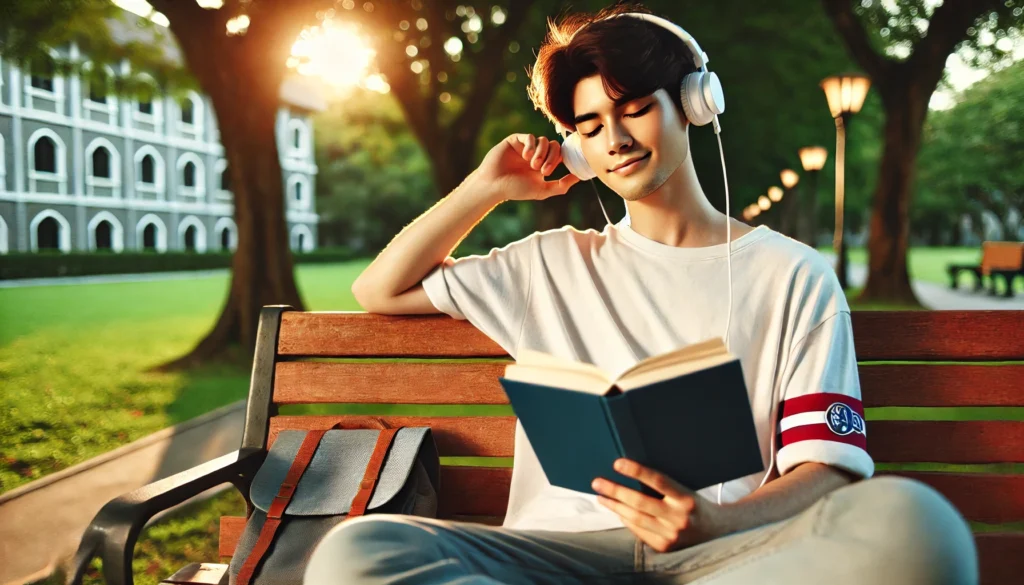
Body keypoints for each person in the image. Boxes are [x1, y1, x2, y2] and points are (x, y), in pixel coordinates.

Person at [306, 4, 977, 584]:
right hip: (555, 557)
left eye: (633, 110)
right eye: (590, 126)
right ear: (572, 145)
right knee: (359, 551)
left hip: (726, 553)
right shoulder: (547, 264)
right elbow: (381, 287)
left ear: (693, 104)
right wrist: (487, 188)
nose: (617, 140)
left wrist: (716, 520)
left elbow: (828, 469)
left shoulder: (791, 273)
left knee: (917, 523)